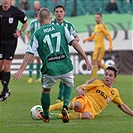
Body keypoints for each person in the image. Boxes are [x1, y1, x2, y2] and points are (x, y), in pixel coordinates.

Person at [13, 8, 92, 123]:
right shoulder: (62, 28)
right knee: (68, 84)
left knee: (46, 90)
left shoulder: (37, 34)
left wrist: (20, 70)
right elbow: (74, 43)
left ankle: (45, 114)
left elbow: (30, 54)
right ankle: (65, 106)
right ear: (51, 18)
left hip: (50, 69)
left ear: (39, 20)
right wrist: (86, 59)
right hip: (66, 66)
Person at [47, 66, 133, 120]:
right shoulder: (97, 81)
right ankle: (48, 108)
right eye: (106, 74)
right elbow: (79, 87)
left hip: (91, 110)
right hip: (84, 100)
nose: (107, 77)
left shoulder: (115, 93)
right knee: (78, 105)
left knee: (88, 116)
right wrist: (80, 91)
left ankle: (58, 116)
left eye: (110, 76)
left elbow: (121, 105)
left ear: (114, 78)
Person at [0, 0, 28, 102]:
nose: (5, 1)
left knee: (7, 66)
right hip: (0, 41)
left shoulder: (16, 11)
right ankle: (7, 89)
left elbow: (25, 22)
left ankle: (4, 91)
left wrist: (20, 32)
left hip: (11, 42)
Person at [51, 4, 80, 103]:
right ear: (54, 13)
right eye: (57, 12)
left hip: (64, 54)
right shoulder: (50, 24)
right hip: (51, 55)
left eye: (61, 12)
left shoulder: (69, 25)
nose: (59, 14)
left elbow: (76, 37)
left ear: (64, 13)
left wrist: (73, 40)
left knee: (64, 77)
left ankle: (60, 97)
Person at [83, 12, 113, 78]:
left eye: (98, 17)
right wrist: (86, 39)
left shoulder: (102, 25)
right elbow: (93, 36)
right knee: (98, 63)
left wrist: (110, 45)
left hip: (100, 46)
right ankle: (112, 73)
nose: (96, 19)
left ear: (101, 18)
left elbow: (108, 35)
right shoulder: (96, 26)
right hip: (97, 46)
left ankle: (93, 79)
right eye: (95, 17)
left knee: (94, 61)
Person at [26, 11, 41, 83]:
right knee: (31, 59)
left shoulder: (43, 22)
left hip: (40, 44)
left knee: (39, 60)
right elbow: (27, 31)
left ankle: (38, 77)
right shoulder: (33, 22)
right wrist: (29, 40)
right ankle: (30, 77)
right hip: (33, 44)